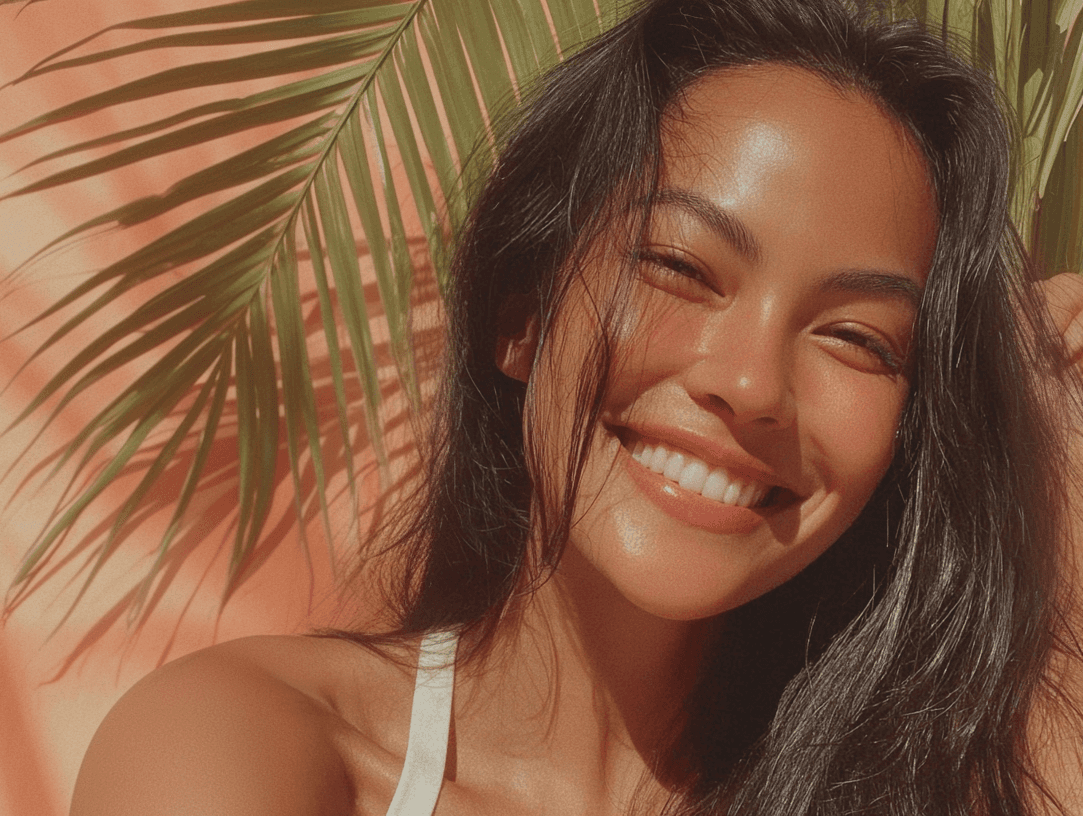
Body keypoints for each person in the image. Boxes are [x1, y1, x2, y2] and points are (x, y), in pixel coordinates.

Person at [68, 0, 1083, 813]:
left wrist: (1053, 503)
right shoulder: (247, 743)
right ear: (522, 316)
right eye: (681, 266)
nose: (750, 383)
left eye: (859, 338)